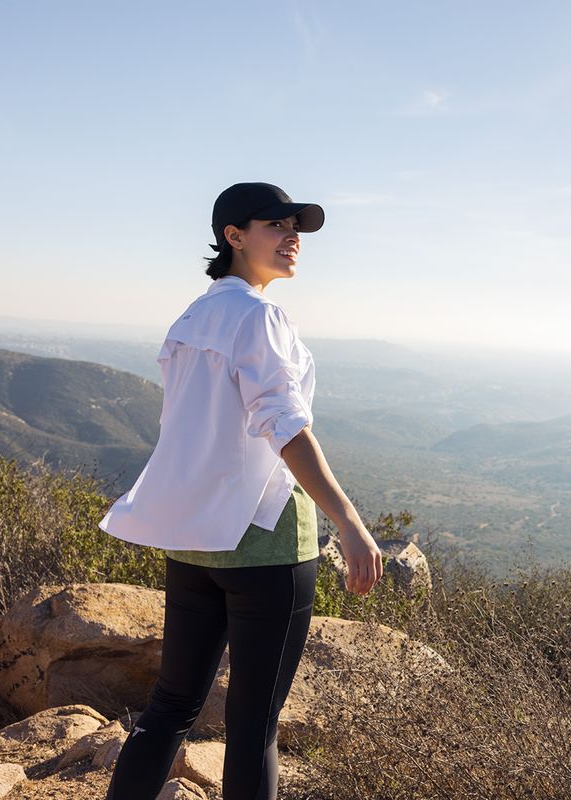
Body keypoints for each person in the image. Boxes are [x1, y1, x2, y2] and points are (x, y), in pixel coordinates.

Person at [98, 182, 383, 800]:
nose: (293, 238)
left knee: (170, 705)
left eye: (296, 228)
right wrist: (351, 524)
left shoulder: (191, 318)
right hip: (265, 540)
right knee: (253, 725)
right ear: (233, 235)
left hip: (194, 535)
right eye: (276, 225)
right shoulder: (260, 316)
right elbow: (284, 427)